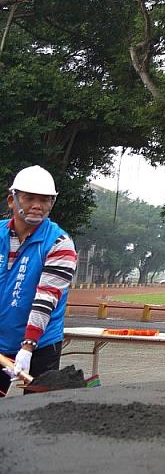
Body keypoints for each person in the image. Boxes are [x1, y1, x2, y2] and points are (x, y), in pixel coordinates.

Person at [1, 166, 77, 395]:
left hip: (41, 343)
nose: (37, 206)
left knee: (37, 413)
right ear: (12, 201)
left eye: (45, 200)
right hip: (2, 339)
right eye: (29, 198)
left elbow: (46, 298)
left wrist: (28, 346)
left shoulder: (60, 243)